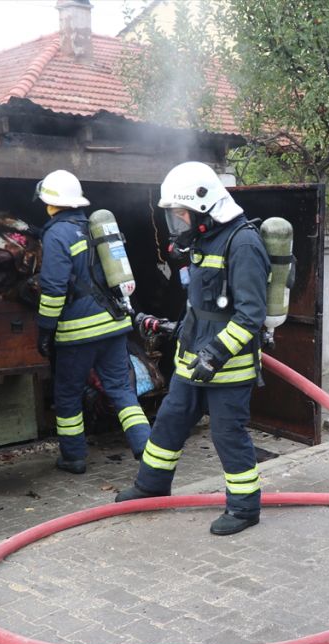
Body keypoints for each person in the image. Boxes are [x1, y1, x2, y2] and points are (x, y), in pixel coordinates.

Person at [116, 161, 271, 536]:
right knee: (169, 420)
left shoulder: (243, 243)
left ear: (206, 209)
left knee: (226, 433)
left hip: (228, 367)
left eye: (181, 216)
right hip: (191, 360)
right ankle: (151, 486)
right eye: (174, 217)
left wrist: (215, 354)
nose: (177, 225)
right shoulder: (203, 240)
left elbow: (251, 315)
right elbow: (200, 304)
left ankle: (245, 507)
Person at [34, 170, 151, 474]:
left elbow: (53, 288)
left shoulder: (57, 234)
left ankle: (73, 457)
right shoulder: (95, 228)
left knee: (68, 393)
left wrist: (46, 329)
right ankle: (147, 450)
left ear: (51, 204)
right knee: (121, 389)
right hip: (114, 326)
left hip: (78, 333)